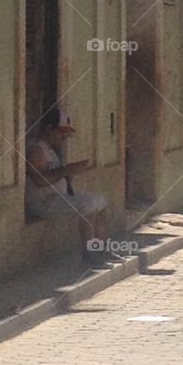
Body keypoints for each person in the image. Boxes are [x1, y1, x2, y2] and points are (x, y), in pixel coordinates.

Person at [25, 109, 112, 268]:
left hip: (57, 198)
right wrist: (66, 170)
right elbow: (38, 180)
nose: (64, 137)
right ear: (49, 128)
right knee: (89, 204)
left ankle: (100, 249)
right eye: (61, 132)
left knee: (101, 202)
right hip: (44, 202)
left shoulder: (50, 150)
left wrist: (68, 175)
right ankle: (89, 255)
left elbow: (54, 176)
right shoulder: (36, 150)